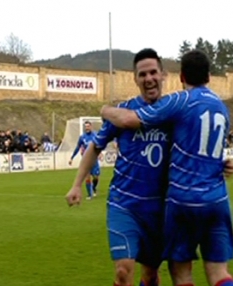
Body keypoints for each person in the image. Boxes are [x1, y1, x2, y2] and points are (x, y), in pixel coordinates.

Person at [100, 49, 233, 286]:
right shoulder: (222, 109)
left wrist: (104, 111)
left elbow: (129, 119)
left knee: (182, 273)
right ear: (209, 77)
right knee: (219, 273)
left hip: (183, 200)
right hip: (218, 199)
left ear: (181, 76)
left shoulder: (178, 101)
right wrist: (221, 164)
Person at [66, 48, 170, 286]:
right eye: (142, 74)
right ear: (135, 79)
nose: (149, 79)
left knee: (151, 274)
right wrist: (76, 185)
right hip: (124, 204)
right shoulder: (123, 111)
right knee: (123, 272)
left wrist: (216, 165)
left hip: (159, 208)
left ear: (163, 75)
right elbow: (95, 147)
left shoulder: (173, 112)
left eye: (153, 72)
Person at [68, 121, 100, 199]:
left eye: (88, 126)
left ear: (91, 126)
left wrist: (100, 153)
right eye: (85, 126)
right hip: (86, 160)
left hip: (94, 159)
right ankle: (90, 195)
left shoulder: (95, 135)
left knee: (96, 177)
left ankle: (94, 188)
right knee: (87, 177)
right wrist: (72, 157)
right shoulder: (82, 137)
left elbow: (100, 144)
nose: (87, 128)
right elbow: (77, 147)